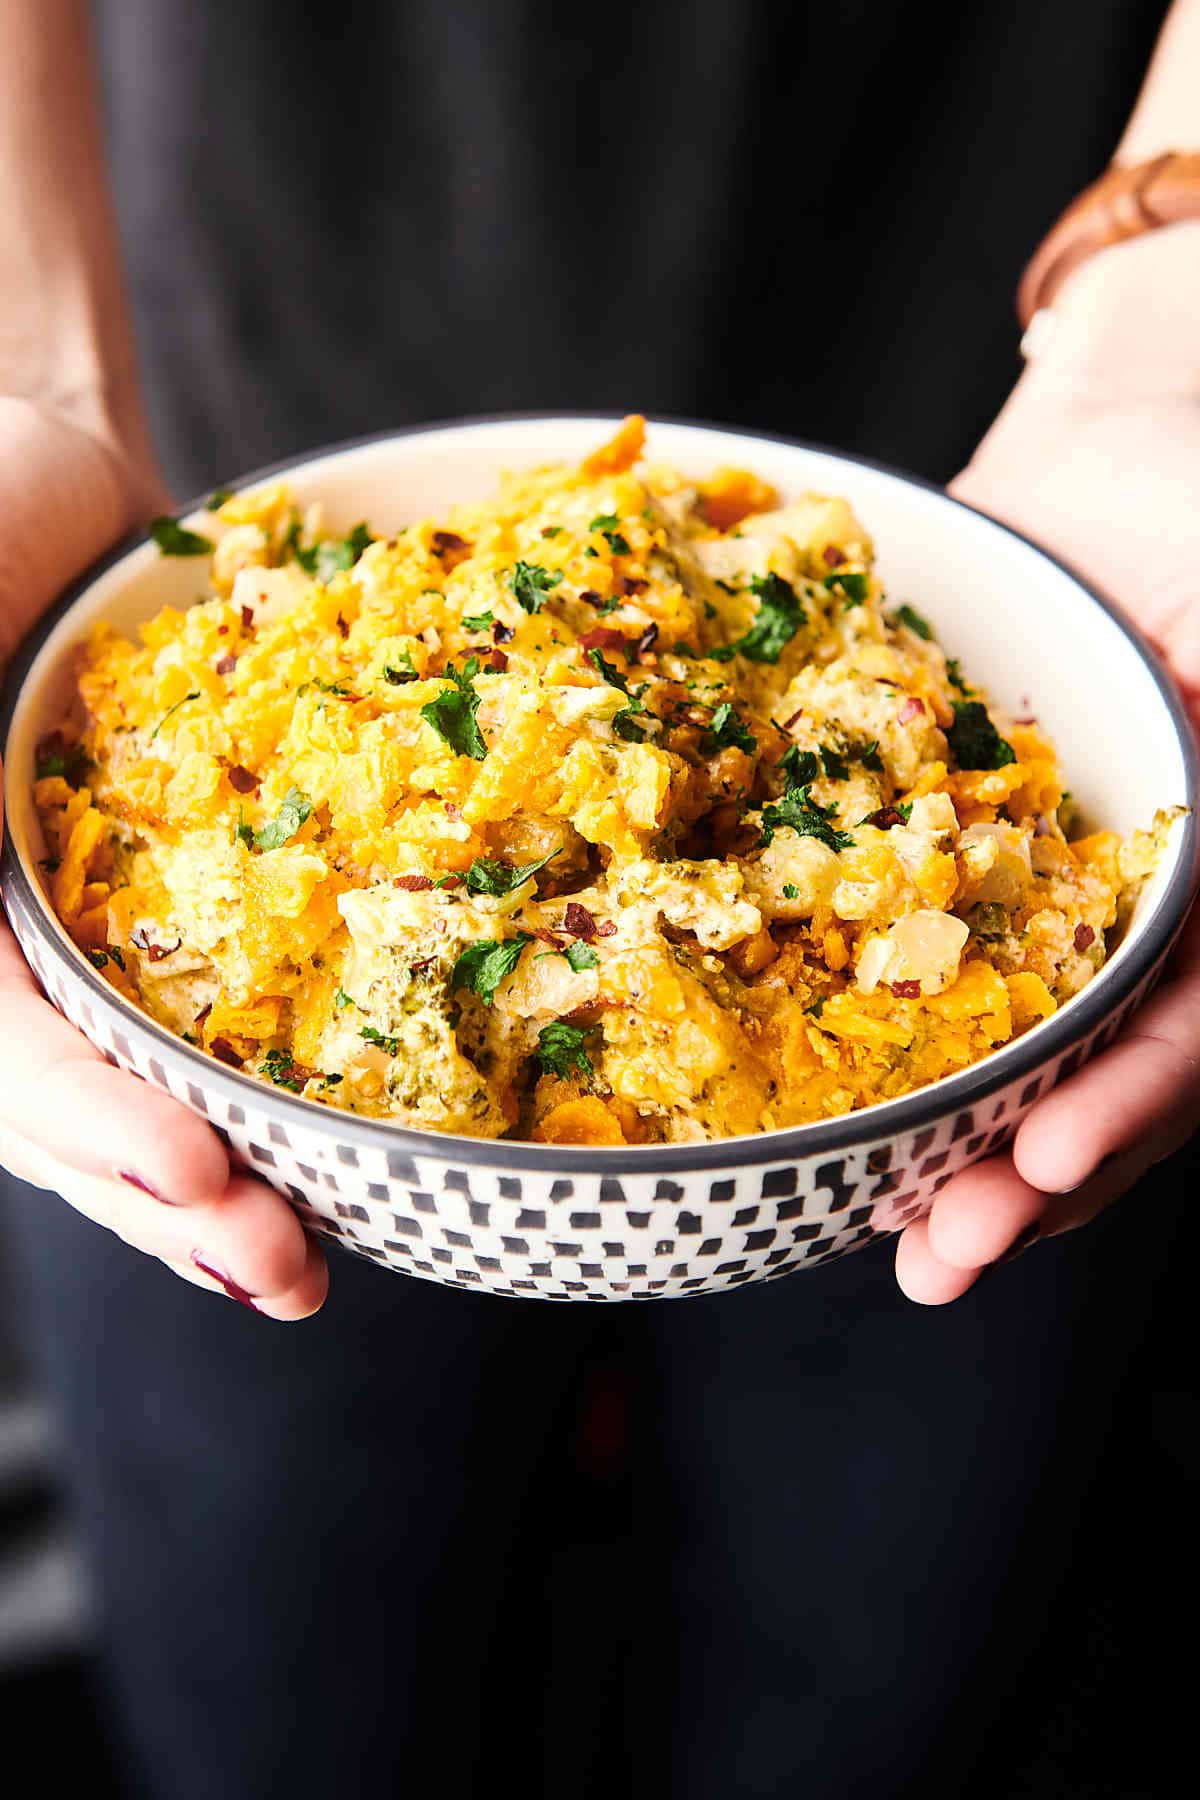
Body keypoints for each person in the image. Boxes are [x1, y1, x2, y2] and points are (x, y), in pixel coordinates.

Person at [0, 0, 1196, 1793]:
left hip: (1027, 409)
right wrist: (27, 380)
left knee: (884, 1678)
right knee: (270, 1689)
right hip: (229, 348)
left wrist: (1171, 334)